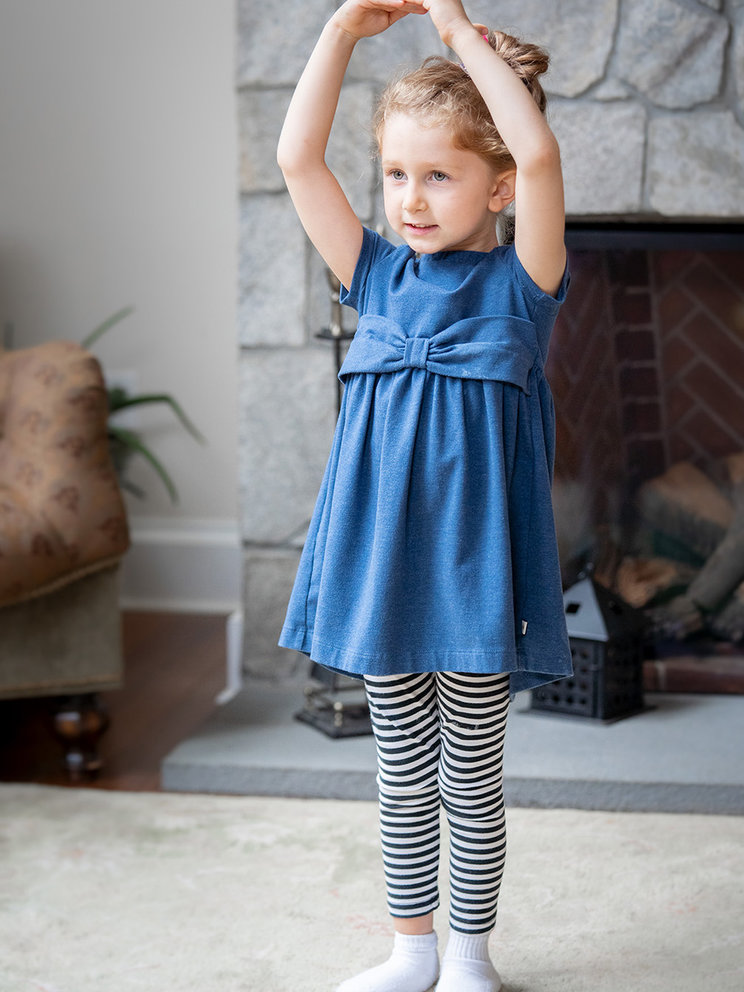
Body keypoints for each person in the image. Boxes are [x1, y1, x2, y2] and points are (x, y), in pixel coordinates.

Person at [277, 2, 573, 990]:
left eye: (439, 174)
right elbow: (297, 161)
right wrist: (340, 34)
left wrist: (455, 32)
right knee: (401, 773)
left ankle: (469, 956)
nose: (409, 195)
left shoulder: (523, 283)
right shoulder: (374, 273)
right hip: (383, 562)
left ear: (493, 190)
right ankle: (411, 949)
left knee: (471, 779)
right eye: (396, 173)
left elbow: (536, 153)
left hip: (475, 571)